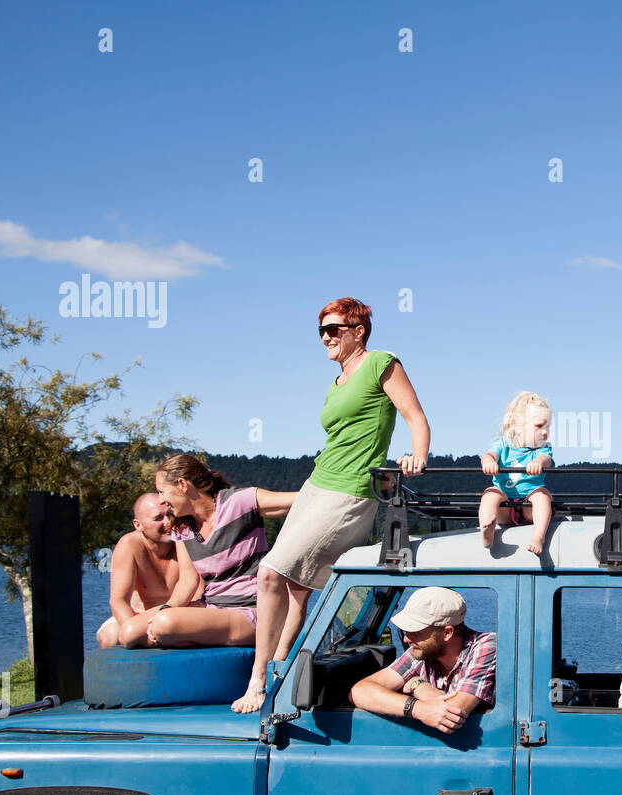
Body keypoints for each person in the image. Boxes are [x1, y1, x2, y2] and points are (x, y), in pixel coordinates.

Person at [232, 297, 431, 713]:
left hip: (351, 490)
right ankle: (278, 675)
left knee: (269, 573)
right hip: (316, 484)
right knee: (295, 589)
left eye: (334, 329)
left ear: (358, 332)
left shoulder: (381, 362)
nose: (326, 336)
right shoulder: (337, 381)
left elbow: (414, 415)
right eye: (321, 330)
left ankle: (254, 679)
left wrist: (417, 455)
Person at [118, 454, 296, 649]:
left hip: (250, 610)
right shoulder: (182, 526)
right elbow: (188, 581)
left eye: (162, 492)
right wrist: (167, 609)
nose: (161, 500)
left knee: (164, 625)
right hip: (211, 606)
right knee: (128, 633)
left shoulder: (239, 502)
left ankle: (182, 636)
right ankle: (187, 636)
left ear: (182, 485)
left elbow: (298, 501)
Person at [349, 587, 496, 736]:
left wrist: (417, 685)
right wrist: (417, 708)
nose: (406, 638)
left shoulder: (486, 646)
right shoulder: (421, 650)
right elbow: (359, 691)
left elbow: (452, 715)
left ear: (447, 633)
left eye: (416, 632)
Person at [95, 493, 189, 648]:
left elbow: (199, 592)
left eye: (169, 515)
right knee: (109, 636)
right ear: (138, 525)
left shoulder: (186, 541)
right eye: (158, 518)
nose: (167, 522)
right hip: (138, 616)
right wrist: (135, 632)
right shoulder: (130, 544)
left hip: (178, 614)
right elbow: (118, 601)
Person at [479, 391, 554, 554]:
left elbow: (546, 459)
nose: (545, 432)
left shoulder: (542, 449)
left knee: (542, 496)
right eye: (539, 426)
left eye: (547, 426)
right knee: (490, 494)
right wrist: (489, 461)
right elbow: (489, 454)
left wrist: (539, 462)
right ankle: (487, 528)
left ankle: (539, 536)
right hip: (504, 505)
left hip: (529, 505)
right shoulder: (502, 444)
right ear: (517, 426)